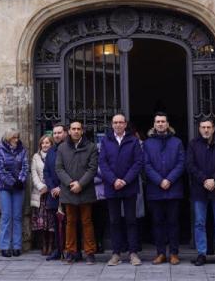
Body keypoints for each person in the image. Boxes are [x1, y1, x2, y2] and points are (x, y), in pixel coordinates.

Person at [98, 113, 144, 266]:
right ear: (112, 125)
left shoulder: (133, 140)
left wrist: (125, 180)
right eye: (115, 122)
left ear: (125, 124)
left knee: (131, 221)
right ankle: (116, 253)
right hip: (112, 187)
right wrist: (114, 180)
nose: (118, 125)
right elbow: (102, 163)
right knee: (114, 221)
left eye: (120, 122)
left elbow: (138, 162)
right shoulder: (105, 141)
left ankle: (133, 253)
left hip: (129, 186)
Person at [186, 117, 215, 266]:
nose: (206, 130)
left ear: (213, 129)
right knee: (199, 222)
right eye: (203, 127)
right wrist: (205, 180)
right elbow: (190, 165)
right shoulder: (193, 145)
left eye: (208, 127)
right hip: (200, 189)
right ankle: (201, 253)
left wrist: (214, 180)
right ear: (199, 129)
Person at [142, 112, 184, 265]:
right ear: (154, 124)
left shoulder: (177, 142)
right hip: (155, 190)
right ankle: (160, 253)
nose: (160, 124)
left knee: (173, 222)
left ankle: (174, 253)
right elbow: (146, 165)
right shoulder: (147, 143)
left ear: (167, 124)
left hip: (173, 190)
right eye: (157, 122)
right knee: (157, 223)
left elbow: (181, 163)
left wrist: (169, 180)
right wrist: (160, 180)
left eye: (163, 121)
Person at [55, 120, 99, 264]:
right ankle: (71, 252)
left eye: (78, 129)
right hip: (69, 191)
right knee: (70, 222)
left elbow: (92, 168)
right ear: (69, 131)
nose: (75, 131)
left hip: (85, 190)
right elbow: (59, 169)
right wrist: (70, 183)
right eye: (73, 129)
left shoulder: (91, 147)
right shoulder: (62, 148)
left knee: (87, 222)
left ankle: (90, 252)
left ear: (82, 131)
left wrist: (80, 183)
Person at [0, 128, 29, 257]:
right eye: (14, 137)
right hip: (5, 187)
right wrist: (11, 181)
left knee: (17, 216)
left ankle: (17, 246)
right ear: (8, 138)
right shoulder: (0, 151)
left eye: (17, 137)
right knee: (6, 216)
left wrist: (20, 180)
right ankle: (4, 246)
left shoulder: (22, 150)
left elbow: (25, 167)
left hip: (19, 188)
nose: (16, 140)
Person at [42, 123, 67, 261]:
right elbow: (46, 172)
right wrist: (52, 188)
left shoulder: (69, 148)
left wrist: (62, 188)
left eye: (59, 132)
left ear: (65, 133)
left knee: (69, 223)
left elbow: (71, 170)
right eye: (55, 133)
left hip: (67, 192)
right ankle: (58, 249)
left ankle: (70, 249)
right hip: (54, 194)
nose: (57, 135)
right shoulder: (51, 151)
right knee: (56, 224)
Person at [30, 134, 56, 256]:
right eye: (43, 143)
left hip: (51, 193)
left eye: (47, 143)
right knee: (41, 222)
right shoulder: (36, 157)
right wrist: (41, 186)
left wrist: (49, 187)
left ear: (51, 144)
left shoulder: (55, 155)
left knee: (50, 221)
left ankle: (51, 245)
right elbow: (34, 174)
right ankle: (43, 244)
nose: (45, 145)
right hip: (40, 193)